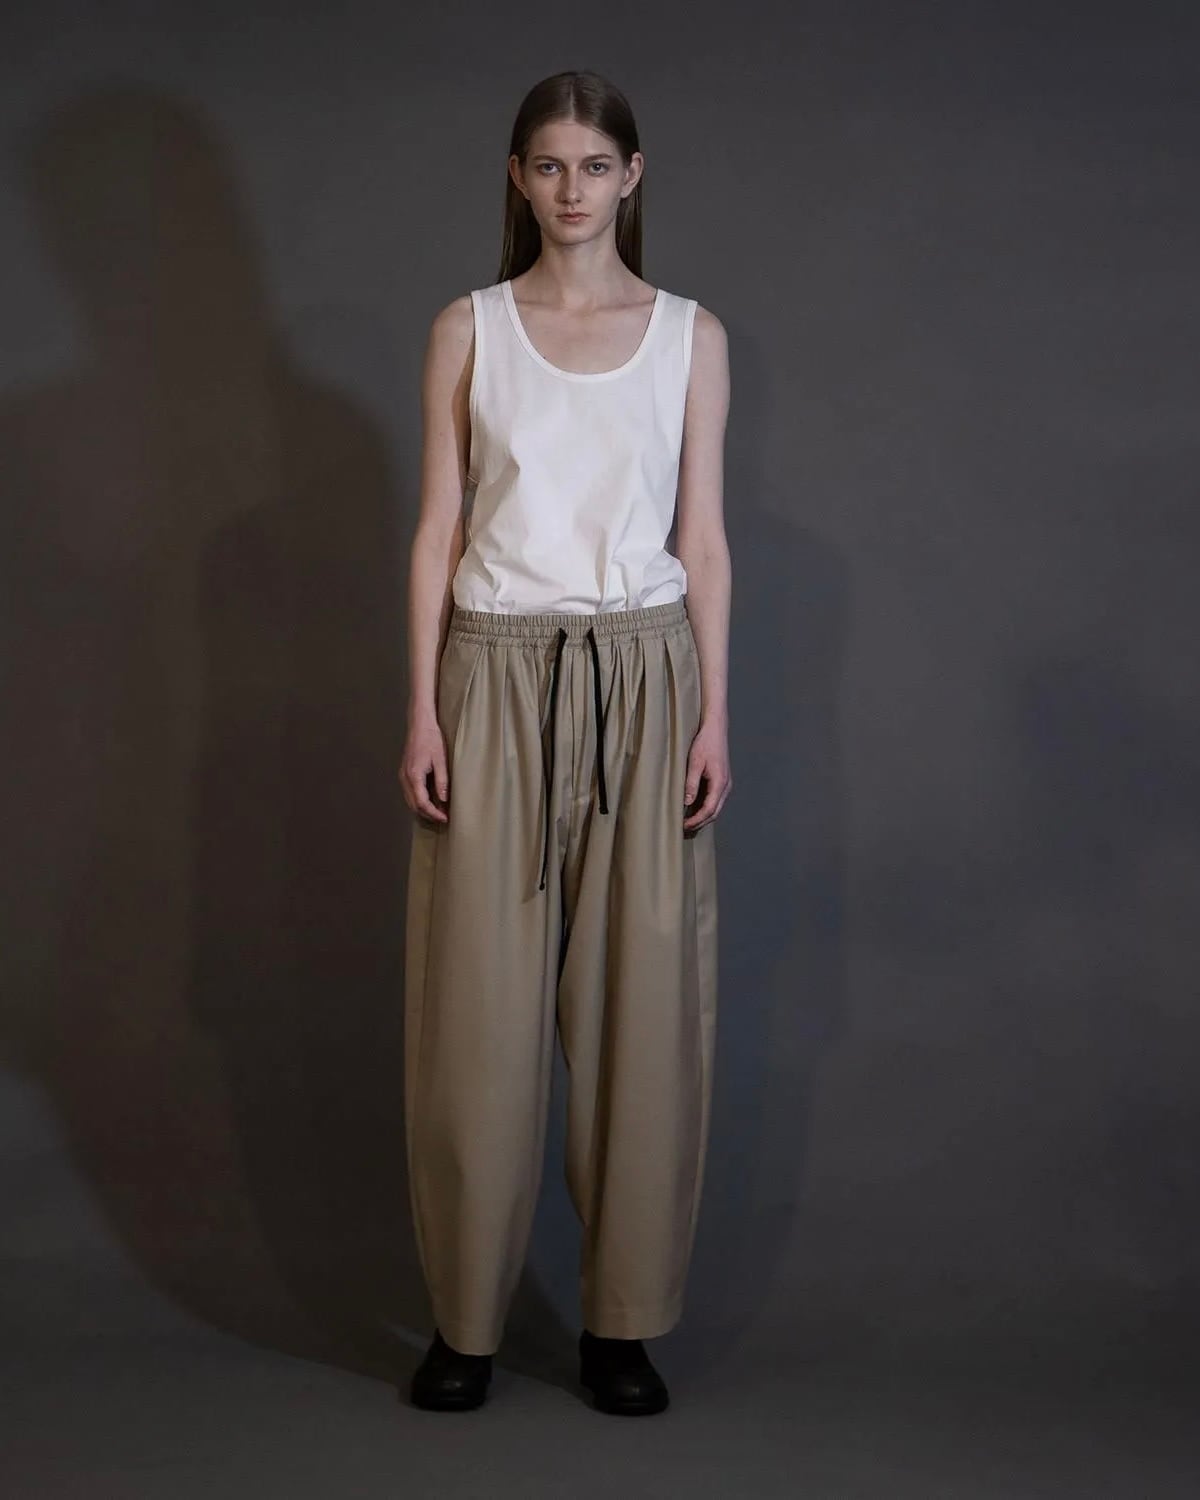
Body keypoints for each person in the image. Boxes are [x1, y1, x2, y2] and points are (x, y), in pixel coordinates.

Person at [398, 69, 731, 1416]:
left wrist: (716, 715)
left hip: (646, 674)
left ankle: (620, 1325)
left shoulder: (690, 336)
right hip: (491, 673)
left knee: (641, 1017)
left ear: (632, 176)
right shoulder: (468, 328)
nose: (572, 189)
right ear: (519, 178)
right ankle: (465, 1326)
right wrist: (420, 708)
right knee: (475, 1021)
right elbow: (438, 528)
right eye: (549, 165)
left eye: (596, 165)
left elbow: (703, 539)